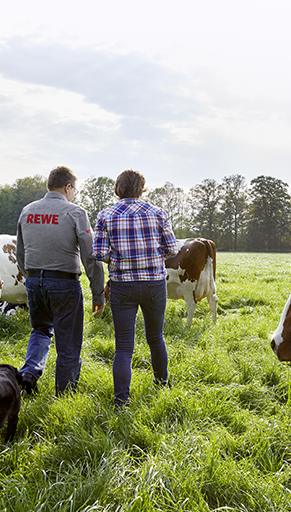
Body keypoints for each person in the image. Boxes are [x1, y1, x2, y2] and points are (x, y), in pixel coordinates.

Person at [16, 166, 105, 396]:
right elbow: (91, 256)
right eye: (74, 189)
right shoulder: (76, 213)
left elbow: (20, 253)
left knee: (40, 329)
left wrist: (31, 278)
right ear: (68, 187)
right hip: (64, 283)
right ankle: (64, 394)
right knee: (68, 342)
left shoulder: (27, 211)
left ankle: (29, 372)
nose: (74, 194)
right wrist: (98, 294)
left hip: (34, 281)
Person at [93, 169, 178, 409]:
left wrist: (118, 259)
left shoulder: (106, 215)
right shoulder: (158, 213)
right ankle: (162, 384)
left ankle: (121, 401)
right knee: (156, 337)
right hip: (154, 284)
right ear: (142, 189)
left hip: (122, 286)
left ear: (118, 189)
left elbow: (98, 253)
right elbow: (172, 250)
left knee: (123, 346)